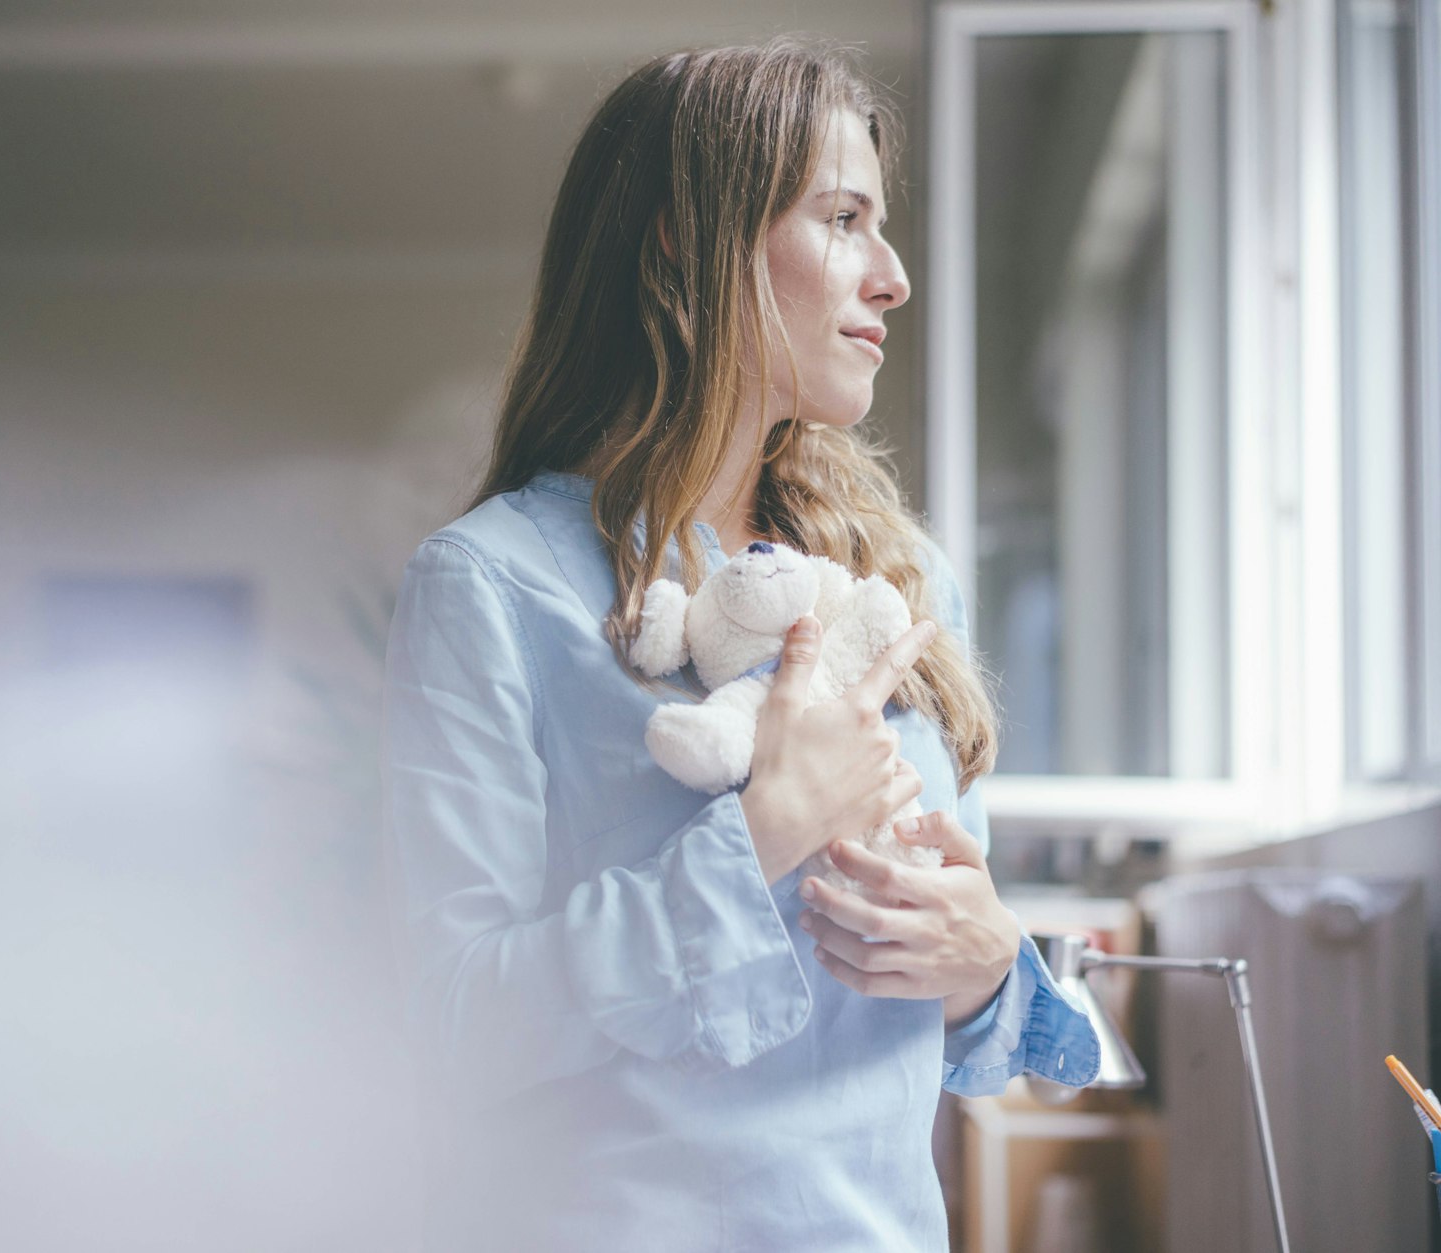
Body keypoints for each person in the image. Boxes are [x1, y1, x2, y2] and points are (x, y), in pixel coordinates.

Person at [380, 37, 1100, 1252]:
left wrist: (984, 964)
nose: (892, 276)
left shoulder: (899, 583)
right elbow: (450, 1024)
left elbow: (956, 994)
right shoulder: (489, 588)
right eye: (841, 219)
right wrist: (761, 831)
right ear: (682, 240)